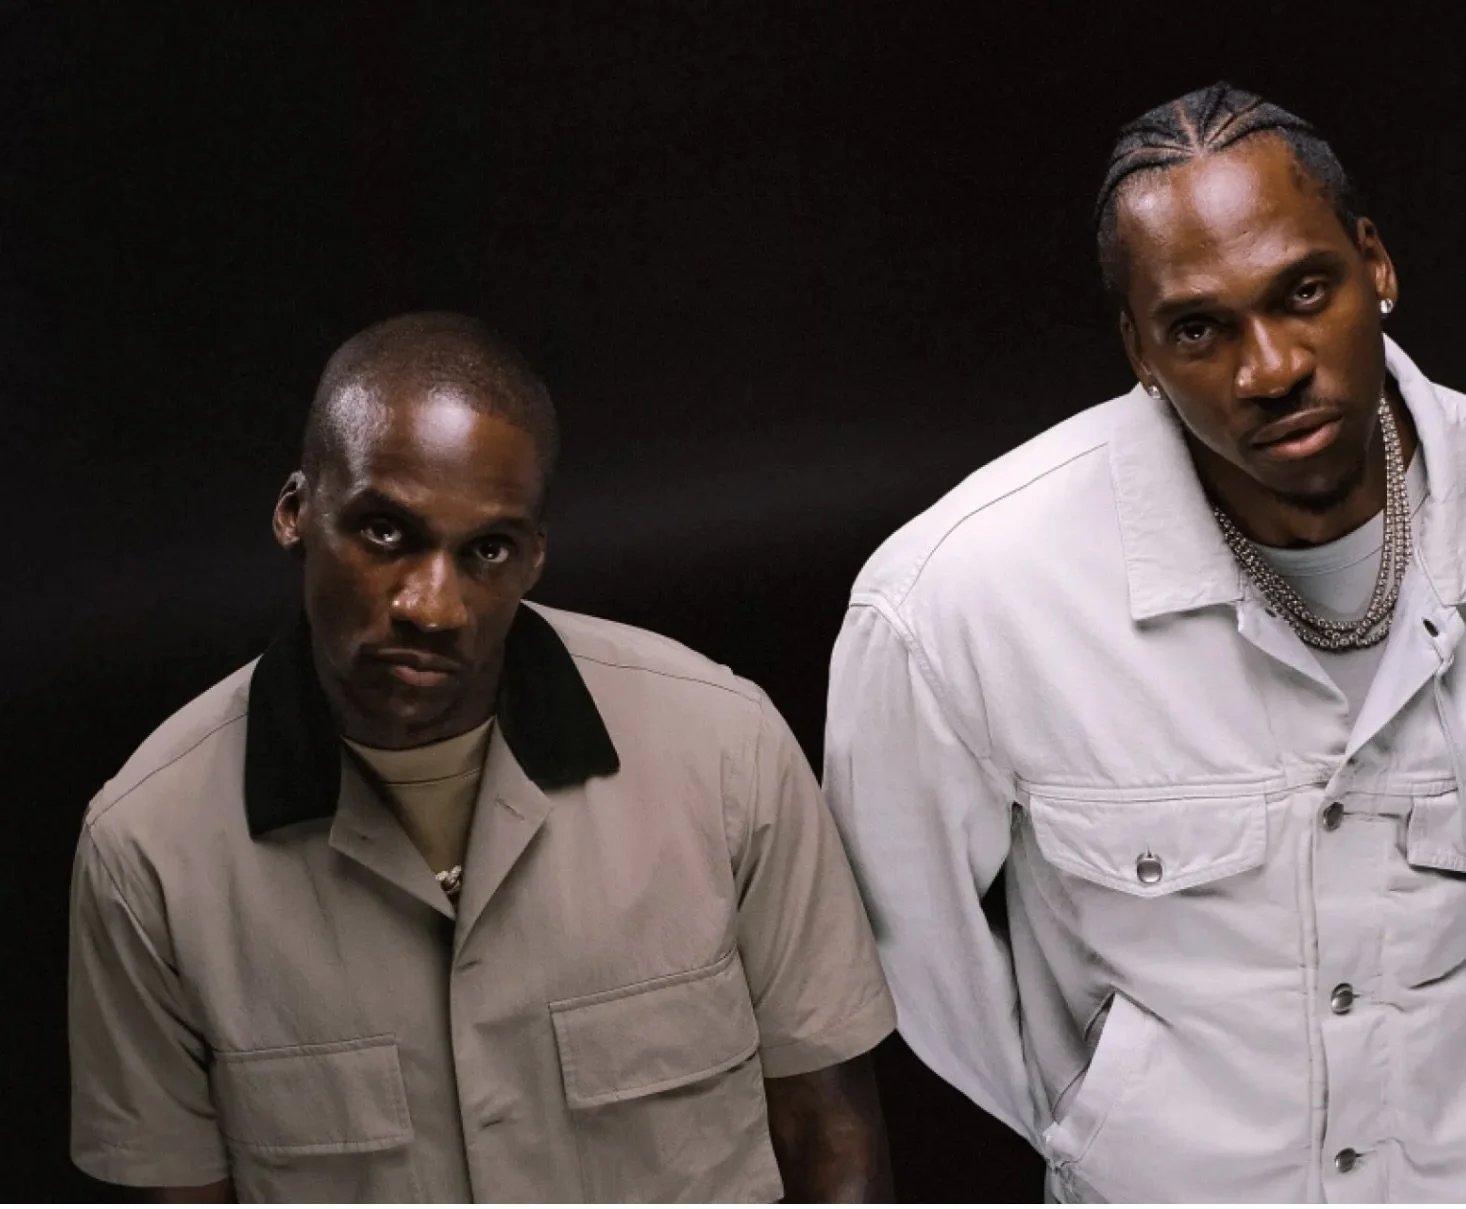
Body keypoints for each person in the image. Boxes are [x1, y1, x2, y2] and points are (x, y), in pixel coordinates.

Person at [823, 83, 1466, 1204]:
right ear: (1138, 349)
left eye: (1303, 292)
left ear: (1378, 266)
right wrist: (1104, 1130)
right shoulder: (958, 600)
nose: (1269, 370)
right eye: (1199, 328)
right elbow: (916, 960)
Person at [69, 312, 897, 1202]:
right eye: (386, 532)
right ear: (295, 512)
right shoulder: (147, 849)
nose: (433, 604)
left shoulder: (726, 752)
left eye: (487, 551)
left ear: (536, 556)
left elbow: (830, 1133)